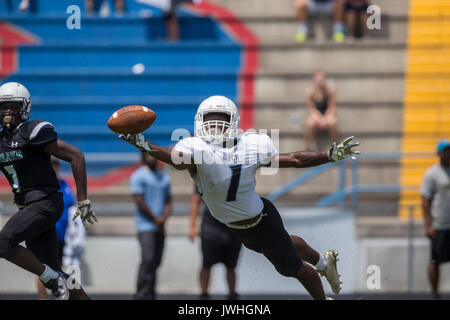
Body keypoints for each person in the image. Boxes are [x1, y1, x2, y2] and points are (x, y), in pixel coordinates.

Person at [119, 95, 360, 299]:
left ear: (233, 122)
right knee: (283, 243)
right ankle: (323, 262)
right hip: (240, 226)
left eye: (220, 120)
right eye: (209, 120)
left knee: (291, 268)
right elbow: (173, 157)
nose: (214, 125)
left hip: (260, 219)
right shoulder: (196, 149)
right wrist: (143, 144)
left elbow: (295, 159)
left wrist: (328, 155)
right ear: (199, 122)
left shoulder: (250, 145)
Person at [0, 82, 96, 300]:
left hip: (45, 203)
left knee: (3, 242)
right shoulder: (1, 141)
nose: (7, 112)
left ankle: (50, 278)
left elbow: (76, 156)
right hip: (30, 207)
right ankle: (56, 279)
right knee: (54, 269)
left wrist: (82, 200)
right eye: (3, 106)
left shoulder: (32, 132)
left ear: (24, 107)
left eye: (12, 106)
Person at [131, 152, 172, 300]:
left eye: (154, 156)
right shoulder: (138, 176)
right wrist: (155, 218)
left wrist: (163, 218)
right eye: (149, 156)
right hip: (145, 226)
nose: (152, 158)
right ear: (142, 158)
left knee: (156, 262)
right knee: (147, 259)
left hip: (160, 226)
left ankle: (151, 294)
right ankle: (141, 295)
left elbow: (168, 201)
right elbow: (139, 200)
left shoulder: (164, 178)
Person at [189, 190, 242, 300]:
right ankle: (204, 294)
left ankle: (232, 295)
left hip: (232, 227)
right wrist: (192, 227)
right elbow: (196, 200)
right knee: (206, 264)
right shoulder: (207, 173)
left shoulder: (236, 173)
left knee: (231, 266)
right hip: (211, 227)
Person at [35, 156, 75, 299]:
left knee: (57, 271)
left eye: (56, 164)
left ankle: (54, 298)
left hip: (61, 235)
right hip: (44, 234)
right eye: (51, 164)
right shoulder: (40, 185)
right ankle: (42, 298)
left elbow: (72, 207)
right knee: (43, 270)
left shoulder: (64, 184)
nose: (54, 167)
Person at [421, 139, 450, 299]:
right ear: (439, 153)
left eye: (449, 150)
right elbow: (425, 201)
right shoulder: (432, 174)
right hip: (439, 225)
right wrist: (428, 225)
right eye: (445, 150)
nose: (448, 153)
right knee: (435, 261)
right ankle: (435, 292)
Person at [305, 70, 339, 151]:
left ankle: (336, 146)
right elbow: (311, 108)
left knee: (333, 122)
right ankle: (307, 147)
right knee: (310, 124)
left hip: (327, 114)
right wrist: (318, 119)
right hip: (316, 115)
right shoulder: (310, 92)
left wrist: (326, 118)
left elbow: (332, 106)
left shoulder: (330, 91)